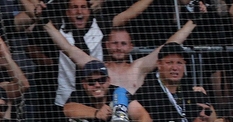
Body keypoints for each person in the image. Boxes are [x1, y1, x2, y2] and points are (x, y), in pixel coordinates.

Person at [42, 20, 196, 95]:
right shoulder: (98, 68)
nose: (118, 48)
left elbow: (169, 46)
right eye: (115, 43)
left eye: (123, 44)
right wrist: (46, 23)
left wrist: (192, 22)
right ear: (107, 45)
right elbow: (69, 49)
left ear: (130, 46)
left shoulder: (139, 67)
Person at [60, 59, 151, 122]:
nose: (97, 85)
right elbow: (68, 109)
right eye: (91, 82)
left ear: (108, 81)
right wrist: (96, 113)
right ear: (84, 83)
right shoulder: (78, 94)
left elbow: (144, 116)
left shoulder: (119, 94)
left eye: (101, 80)